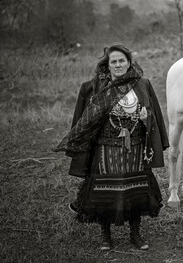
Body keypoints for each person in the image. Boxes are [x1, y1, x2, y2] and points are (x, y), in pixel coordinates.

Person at [54, 44, 169, 251]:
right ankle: (105, 236)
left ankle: (135, 234)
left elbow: (155, 117)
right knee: (104, 194)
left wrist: (146, 118)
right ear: (107, 65)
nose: (118, 65)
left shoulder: (143, 84)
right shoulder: (93, 88)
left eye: (121, 61)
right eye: (113, 61)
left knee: (136, 192)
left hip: (134, 148)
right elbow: (83, 121)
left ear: (129, 63)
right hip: (105, 149)